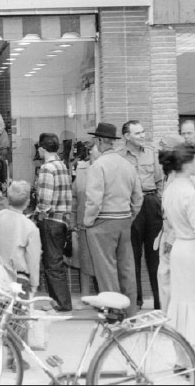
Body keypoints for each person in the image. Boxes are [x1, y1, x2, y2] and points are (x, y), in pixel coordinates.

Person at [161, 143, 195, 357]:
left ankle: (180, 358)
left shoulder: (171, 189)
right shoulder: (190, 193)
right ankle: (192, 359)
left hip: (179, 249)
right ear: (186, 164)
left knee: (181, 307)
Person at [84, 122, 143, 317]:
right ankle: (130, 312)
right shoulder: (128, 165)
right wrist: (131, 216)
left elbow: (94, 200)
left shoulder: (98, 166)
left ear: (99, 141)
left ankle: (113, 313)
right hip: (124, 219)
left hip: (103, 222)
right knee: (126, 267)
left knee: (106, 270)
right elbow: (138, 198)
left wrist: (88, 221)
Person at [117, 120, 162, 310]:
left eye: (143, 132)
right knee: (132, 255)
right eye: (137, 133)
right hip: (130, 206)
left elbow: (160, 181)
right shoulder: (119, 157)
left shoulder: (152, 153)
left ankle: (160, 302)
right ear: (127, 136)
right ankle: (135, 301)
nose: (142, 136)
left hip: (151, 204)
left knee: (155, 256)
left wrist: (159, 203)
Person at [34, 132, 73, 313]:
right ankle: (60, 301)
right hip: (63, 219)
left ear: (42, 148)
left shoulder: (47, 168)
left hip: (51, 220)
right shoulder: (63, 166)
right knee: (57, 262)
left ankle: (60, 303)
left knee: (52, 263)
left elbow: (45, 200)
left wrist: (38, 213)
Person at [0, 180, 40, 297]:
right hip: (18, 278)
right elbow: (33, 259)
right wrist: (34, 283)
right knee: (19, 313)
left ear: (7, 198)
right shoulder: (30, 227)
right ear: (28, 202)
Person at [153, 133, 184, 311]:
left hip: (174, 236)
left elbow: (178, 213)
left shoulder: (180, 178)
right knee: (164, 276)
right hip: (166, 233)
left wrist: (171, 240)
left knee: (168, 278)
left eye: (163, 146)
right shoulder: (168, 174)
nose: (159, 149)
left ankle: (172, 319)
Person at [69, 141, 99, 301]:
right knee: (84, 262)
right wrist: (72, 221)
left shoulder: (107, 168)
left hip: (103, 224)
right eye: (92, 151)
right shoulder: (80, 169)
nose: (93, 153)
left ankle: (105, 297)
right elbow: (74, 196)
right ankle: (85, 296)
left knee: (102, 263)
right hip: (83, 222)